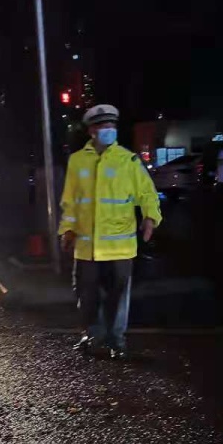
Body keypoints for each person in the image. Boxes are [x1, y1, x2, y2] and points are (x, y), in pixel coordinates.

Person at [59, 104, 162, 360]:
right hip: (87, 247)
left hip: (119, 246)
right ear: (91, 130)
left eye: (111, 125)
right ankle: (92, 335)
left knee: (118, 297)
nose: (108, 130)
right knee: (87, 295)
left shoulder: (128, 160)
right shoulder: (77, 161)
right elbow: (70, 200)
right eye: (103, 126)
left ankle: (117, 341)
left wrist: (150, 217)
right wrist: (67, 230)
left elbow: (147, 193)